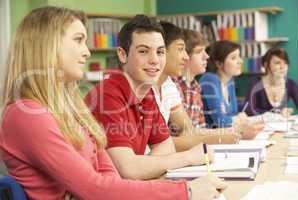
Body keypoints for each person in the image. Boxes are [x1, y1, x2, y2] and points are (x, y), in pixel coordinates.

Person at [0, 7, 226, 200]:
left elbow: (108, 177)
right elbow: (95, 187)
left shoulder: (73, 109)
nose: (87, 52)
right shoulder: (27, 115)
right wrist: (185, 191)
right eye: (78, 40)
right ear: (46, 45)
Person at [84, 14, 224, 186]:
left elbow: (166, 148)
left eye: (160, 52)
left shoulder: (146, 92)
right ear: (122, 55)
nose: (155, 60)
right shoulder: (107, 95)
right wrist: (188, 157)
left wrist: (143, 166)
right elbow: (128, 169)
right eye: (143, 51)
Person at [154, 23, 240, 152]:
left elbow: (190, 131)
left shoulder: (183, 85)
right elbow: (161, 143)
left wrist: (228, 132)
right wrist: (221, 136)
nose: (206, 56)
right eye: (199, 52)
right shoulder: (206, 80)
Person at [199, 40, 264, 139]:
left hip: (226, 138)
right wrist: (237, 119)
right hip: (211, 140)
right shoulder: (209, 79)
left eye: (239, 56)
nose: (240, 61)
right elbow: (220, 121)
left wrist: (237, 118)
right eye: (234, 58)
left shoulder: (230, 82)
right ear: (219, 63)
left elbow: (233, 113)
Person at [245, 47, 298, 116]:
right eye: (278, 63)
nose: (283, 67)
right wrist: (277, 113)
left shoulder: (291, 84)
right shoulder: (255, 83)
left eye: (285, 63)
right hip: (259, 125)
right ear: (266, 65)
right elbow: (249, 110)